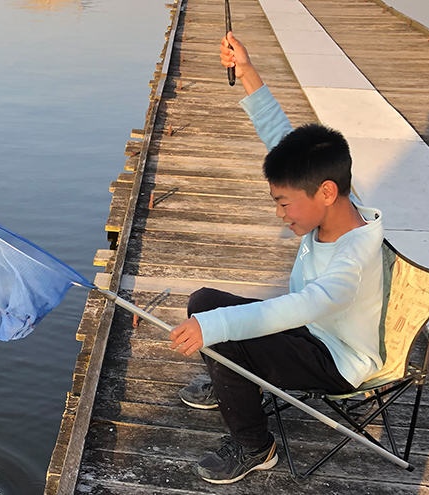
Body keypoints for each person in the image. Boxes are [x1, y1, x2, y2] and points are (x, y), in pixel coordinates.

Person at [167, 32, 385, 484]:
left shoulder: (354, 256)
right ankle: (233, 379)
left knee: (222, 333)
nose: (280, 213)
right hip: (311, 332)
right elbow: (283, 139)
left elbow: (303, 306)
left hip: (336, 357)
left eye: (284, 203)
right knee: (204, 300)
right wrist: (246, 71)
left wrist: (216, 330)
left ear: (325, 192)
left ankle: (255, 446)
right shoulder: (338, 201)